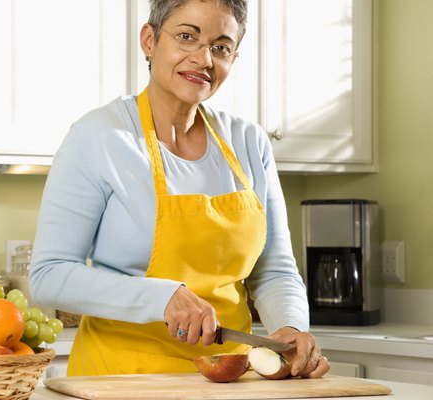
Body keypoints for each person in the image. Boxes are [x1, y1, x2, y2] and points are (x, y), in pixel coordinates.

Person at [29, 0, 330, 378]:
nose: (204, 59)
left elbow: (274, 270)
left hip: (229, 375)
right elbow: (49, 275)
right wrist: (162, 297)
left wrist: (289, 327)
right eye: (187, 37)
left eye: (221, 47)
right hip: (121, 377)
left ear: (233, 59)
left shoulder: (249, 141)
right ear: (149, 40)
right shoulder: (98, 137)